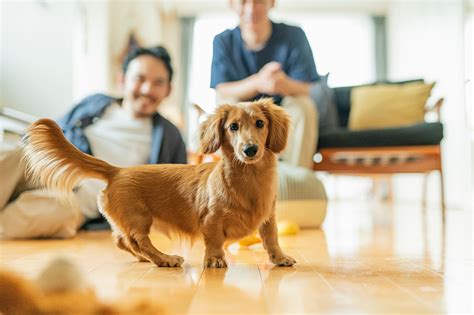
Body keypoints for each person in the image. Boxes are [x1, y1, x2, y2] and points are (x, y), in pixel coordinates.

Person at [0, 46, 187, 239]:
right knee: (11, 154)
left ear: (168, 90)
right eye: (139, 79)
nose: (147, 89)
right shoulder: (94, 103)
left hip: (79, 199)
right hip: (50, 166)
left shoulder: (170, 137)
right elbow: (51, 132)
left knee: (51, 213)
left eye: (158, 83)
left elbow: (176, 195)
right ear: (122, 80)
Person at [210, 0, 320, 169]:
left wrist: (282, 83)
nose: (251, 9)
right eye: (243, 1)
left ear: (272, 3)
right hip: (241, 112)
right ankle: (234, 177)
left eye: (259, 1)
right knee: (226, 101)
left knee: (304, 106)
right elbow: (222, 88)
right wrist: (258, 83)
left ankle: (296, 179)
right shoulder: (223, 41)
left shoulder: (294, 35)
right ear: (232, 3)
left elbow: (306, 87)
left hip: (283, 109)